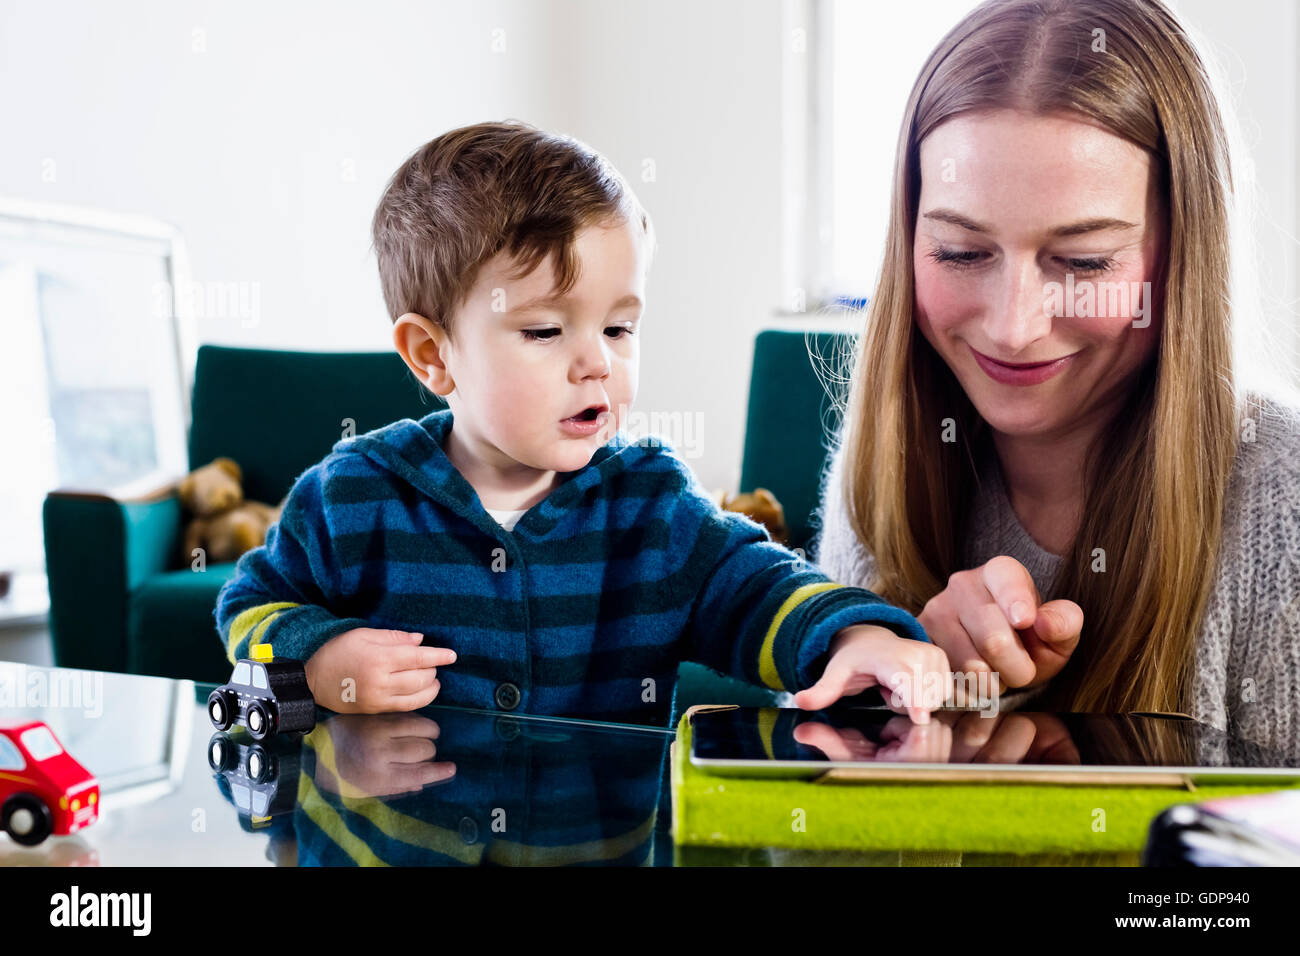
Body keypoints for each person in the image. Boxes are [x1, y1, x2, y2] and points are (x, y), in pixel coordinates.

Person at [214, 120, 948, 727]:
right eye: (543, 332)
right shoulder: (351, 496)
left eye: (621, 328)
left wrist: (855, 634)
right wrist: (319, 657)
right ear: (434, 356)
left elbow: (754, 587)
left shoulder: (650, 505)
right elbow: (248, 608)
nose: (596, 362)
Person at [814, 0, 1300, 758]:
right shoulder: (885, 450)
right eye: (961, 252)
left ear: (1183, 255)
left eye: (1083, 263)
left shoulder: (1284, 499)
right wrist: (910, 701)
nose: (1013, 326)